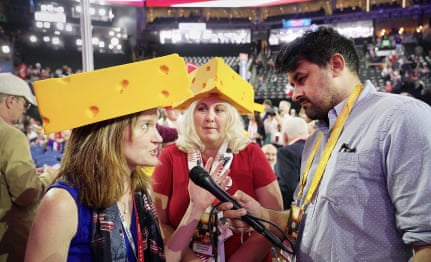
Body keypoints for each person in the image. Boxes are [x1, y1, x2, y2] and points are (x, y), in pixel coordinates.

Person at [220, 26, 431, 261]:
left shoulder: (402, 118)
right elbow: (308, 223)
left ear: (336, 65)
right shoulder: (317, 137)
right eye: (293, 84)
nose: (294, 94)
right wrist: (263, 215)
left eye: (301, 79)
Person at [24, 55, 228, 261]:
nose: (158, 137)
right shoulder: (62, 202)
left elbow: (164, 259)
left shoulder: (139, 192)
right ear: (112, 134)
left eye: (155, 125)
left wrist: (197, 206)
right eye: (146, 126)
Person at [152, 57, 283, 261]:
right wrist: (190, 260)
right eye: (202, 108)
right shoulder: (170, 156)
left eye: (219, 110)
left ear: (230, 116)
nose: (210, 117)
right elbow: (159, 222)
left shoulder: (251, 153)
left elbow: (274, 221)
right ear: (190, 114)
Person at [0, 72, 58, 262]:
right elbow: (26, 194)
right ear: (10, 101)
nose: (25, 111)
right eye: (25, 105)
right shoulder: (11, 136)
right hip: (8, 243)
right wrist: (49, 176)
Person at [274, 116, 308, 209]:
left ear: (285, 136)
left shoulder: (286, 152)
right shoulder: (318, 150)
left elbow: (288, 187)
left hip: (293, 211)